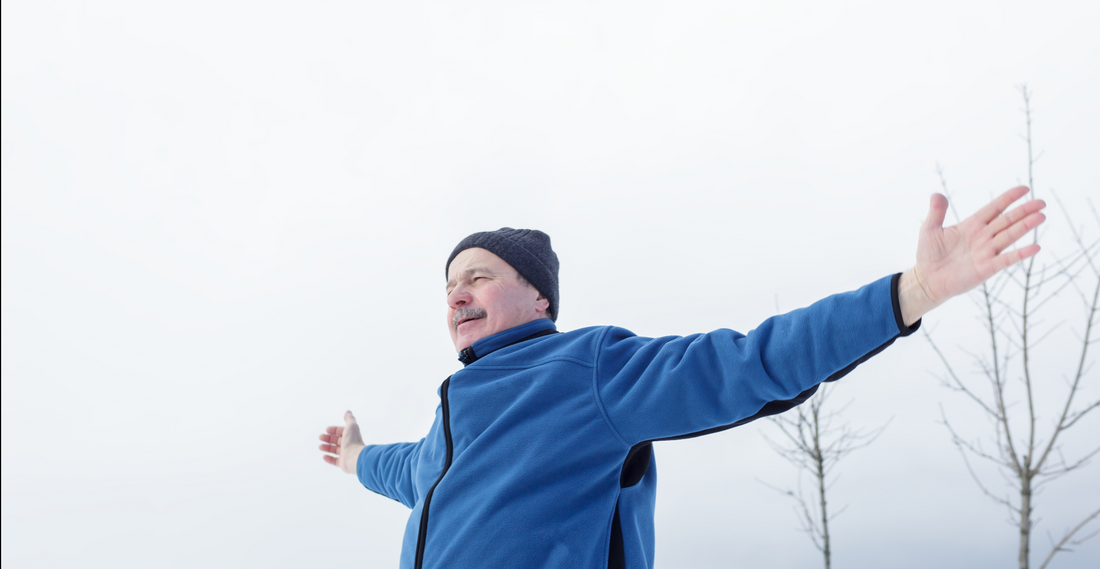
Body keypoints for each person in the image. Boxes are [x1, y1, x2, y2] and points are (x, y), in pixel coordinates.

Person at [318, 187, 1045, 569]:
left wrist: (912, 290)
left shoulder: (584, 373)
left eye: (476, 275)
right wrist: (353, 454)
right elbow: (401, 469)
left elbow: (748, 362)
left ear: (539, 297)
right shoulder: (448, 430)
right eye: (448, 285)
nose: (455, 293)